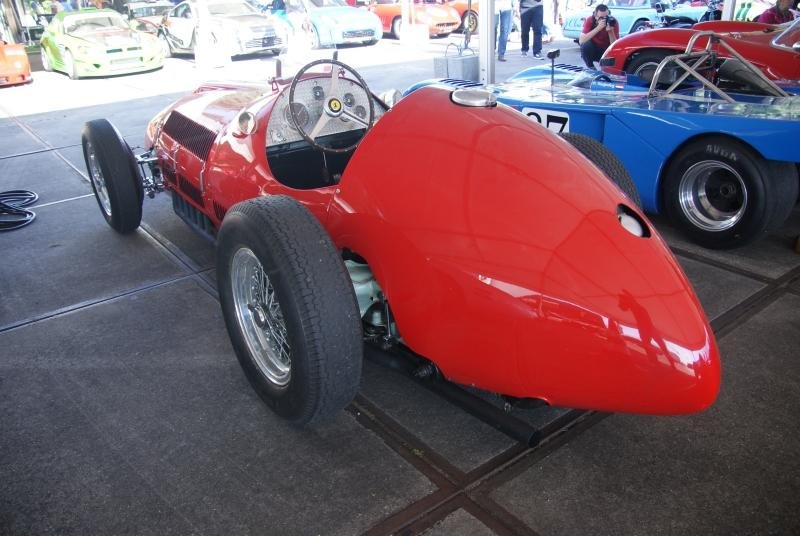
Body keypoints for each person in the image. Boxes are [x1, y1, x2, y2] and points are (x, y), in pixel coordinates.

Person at [579, 3, 618, 69]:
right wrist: (598, 27)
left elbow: (614, 46)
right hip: (594, 49)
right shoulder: (590, 20)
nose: (604, 20)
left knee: (609, 66)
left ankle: (606, 69)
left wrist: (610, 32)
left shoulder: (613, 21)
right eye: (601, 18)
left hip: (606, 50)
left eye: (606, 17)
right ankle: (591, 68)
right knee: (585, 46)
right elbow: (581, 41)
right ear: (595, 16)